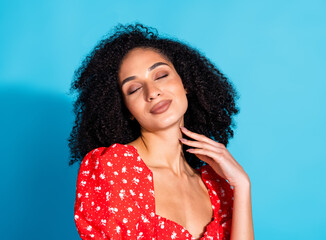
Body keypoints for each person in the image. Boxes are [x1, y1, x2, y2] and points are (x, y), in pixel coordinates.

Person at [69, 23, 254, 240]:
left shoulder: (216, 185)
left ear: (185, 82)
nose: (152, 92)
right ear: (126, 109)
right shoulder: (113, 167)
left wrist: (242, 186)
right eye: (134, 89)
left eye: (160, 75)